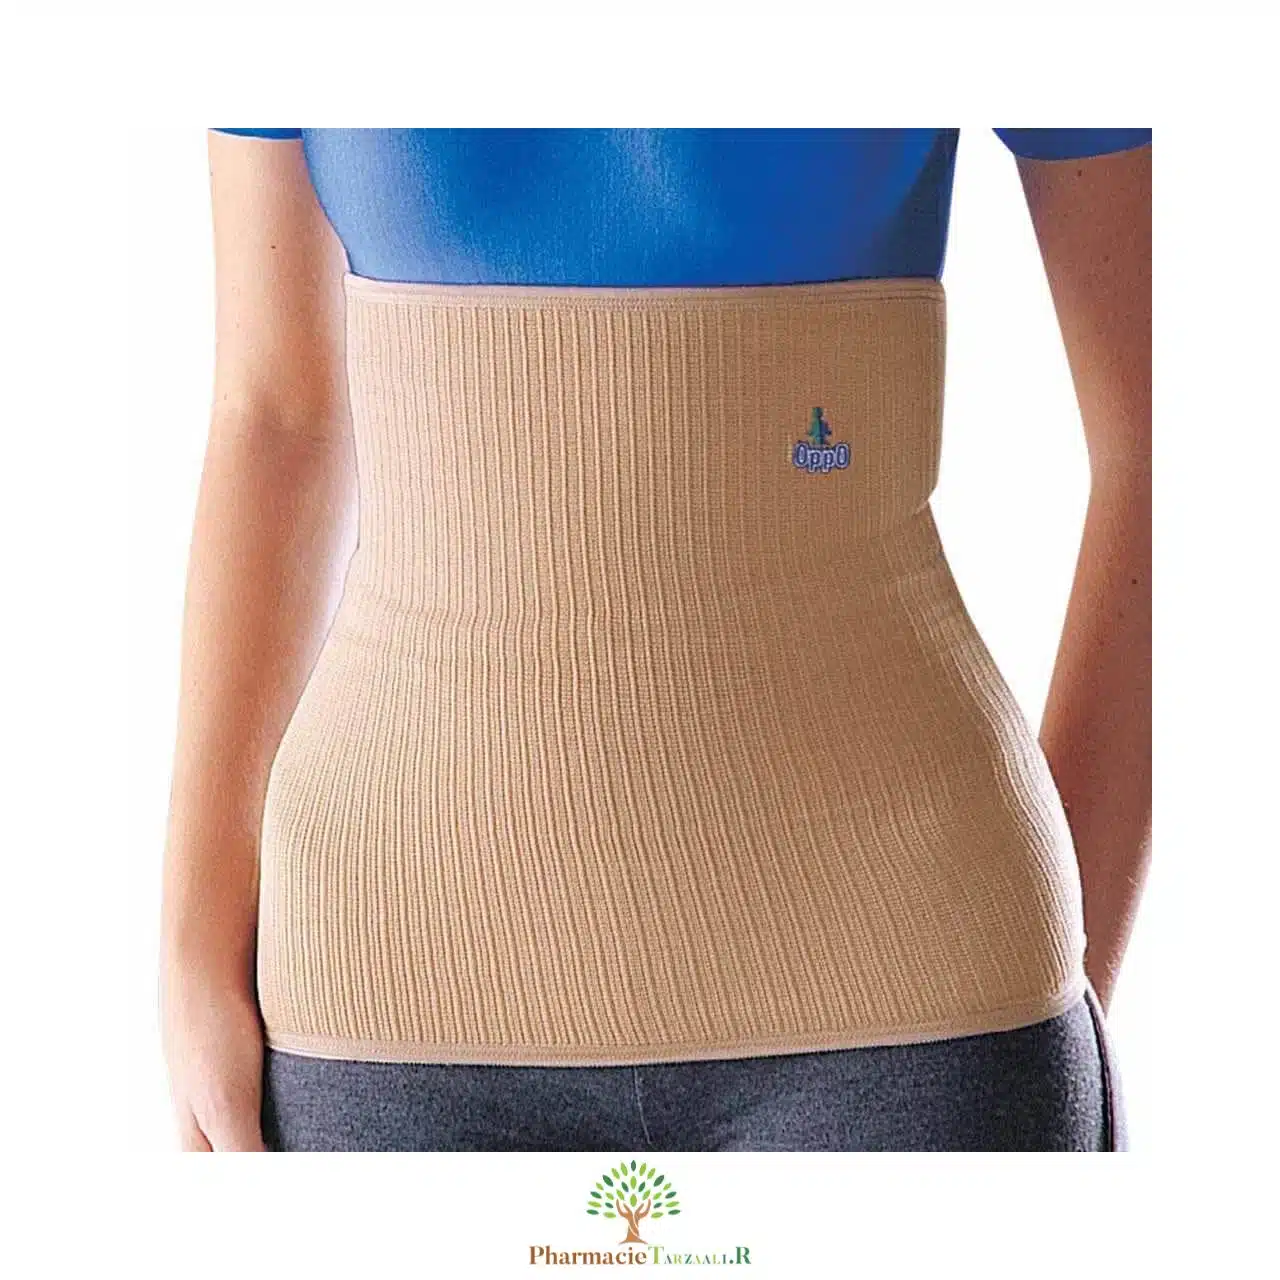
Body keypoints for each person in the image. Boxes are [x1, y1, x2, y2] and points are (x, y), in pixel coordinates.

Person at [159, 128, 1151, 1152]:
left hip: (918, 997)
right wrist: (192, 944)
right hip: (379, 977)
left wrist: (1061, 955)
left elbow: (1164, 447)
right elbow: (275, 414)